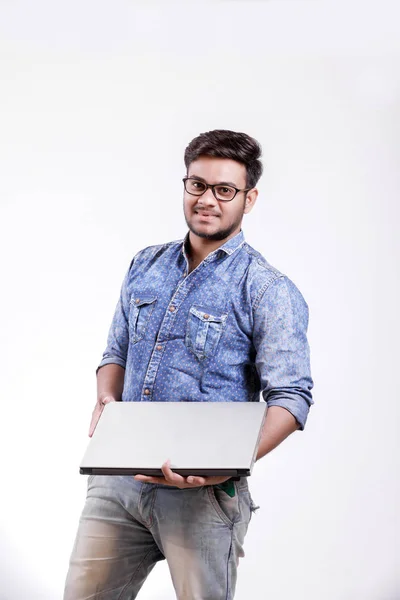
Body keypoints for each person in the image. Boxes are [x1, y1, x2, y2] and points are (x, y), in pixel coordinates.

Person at [63, 129, 314, 600]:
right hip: (116, 485)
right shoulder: (145, 264)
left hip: (202, 498)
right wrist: (106, 399)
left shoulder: (267, 289)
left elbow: (292, 400)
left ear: (249, 198)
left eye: (225, 190)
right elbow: (114, 354)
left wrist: (228, 466)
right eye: (197, 185)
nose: (208, 200)